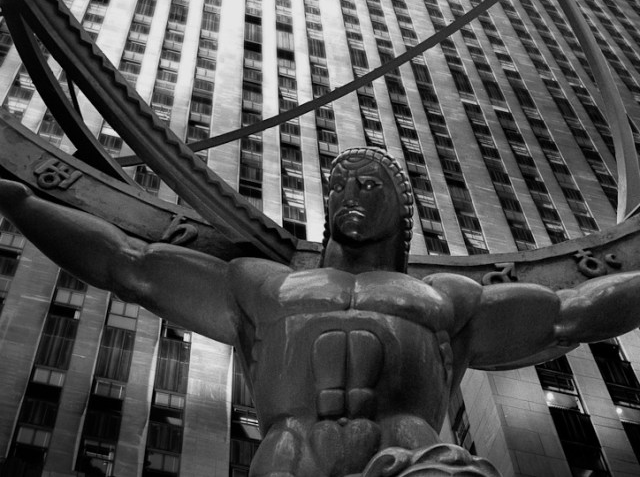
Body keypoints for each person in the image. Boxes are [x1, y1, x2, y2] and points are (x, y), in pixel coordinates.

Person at [2, 146, 640, 477]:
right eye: (337, 185)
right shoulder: (262, 284)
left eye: (369, 185)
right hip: (293, 456)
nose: (347, 195)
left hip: (413, 458)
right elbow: (128, 266)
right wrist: (22, 204)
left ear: (401, 206)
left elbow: (572, 315)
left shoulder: (447, 297)